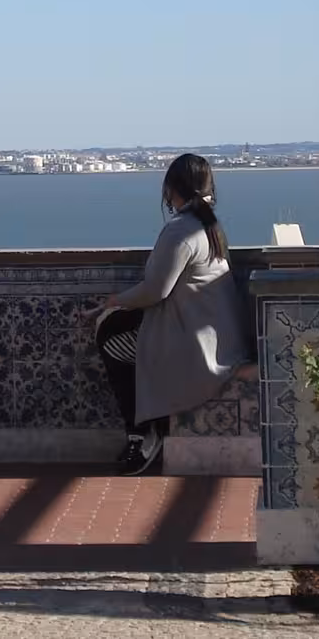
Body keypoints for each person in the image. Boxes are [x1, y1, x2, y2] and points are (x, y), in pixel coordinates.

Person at [93, 153, 253, 476]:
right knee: (119, 329)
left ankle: (144, 433)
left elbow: (156, 291)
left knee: (110, 339)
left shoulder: (181, 230)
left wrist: (113, 302)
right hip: (218, 338)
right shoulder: (209, 227)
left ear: (172, 190)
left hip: (197, 347)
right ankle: (145, 429)